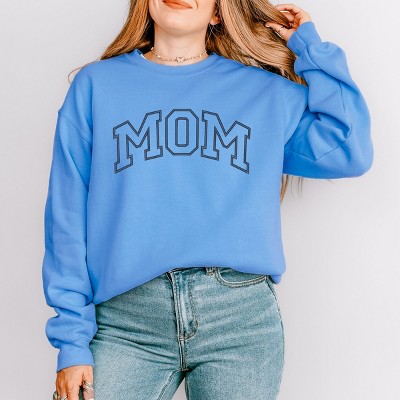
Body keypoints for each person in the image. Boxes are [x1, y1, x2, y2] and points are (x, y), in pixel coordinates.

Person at [42, 1, 374, 399]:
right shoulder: (97, 86)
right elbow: (66, 218)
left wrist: (310, 48)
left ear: (219, 12)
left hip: (238, 320)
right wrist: (72, 341)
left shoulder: (263, 92)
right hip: (125, 322)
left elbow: (348, 149)